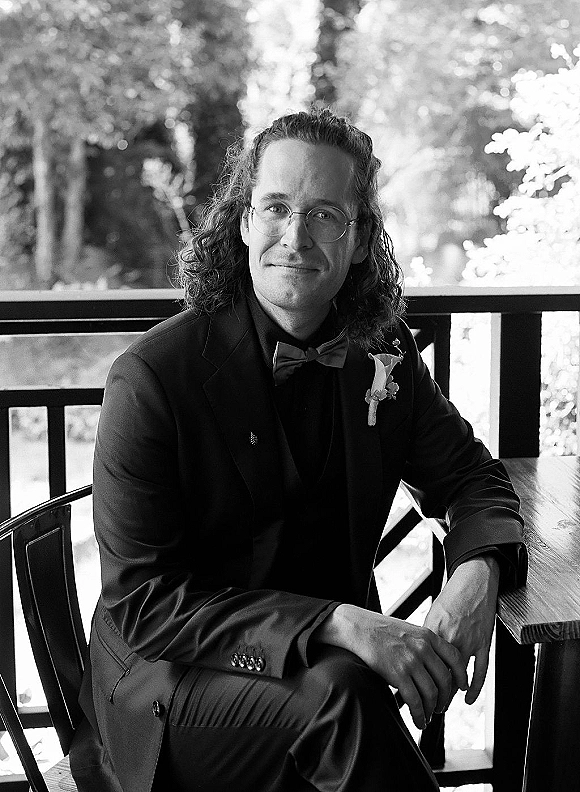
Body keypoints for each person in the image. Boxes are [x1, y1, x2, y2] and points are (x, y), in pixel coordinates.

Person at [70, 108, 527, 792]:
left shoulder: (381, 352)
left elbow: (473, 478)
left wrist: (475, 574)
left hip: (321, 679)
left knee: (342, 695)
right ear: (244, 222)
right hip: (167, 689)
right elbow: (147, 606)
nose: (295, 236)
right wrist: (338, 623)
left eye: (324, 215)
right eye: (277, 208)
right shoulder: (151, 377)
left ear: (361, 238)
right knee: (343, 698)